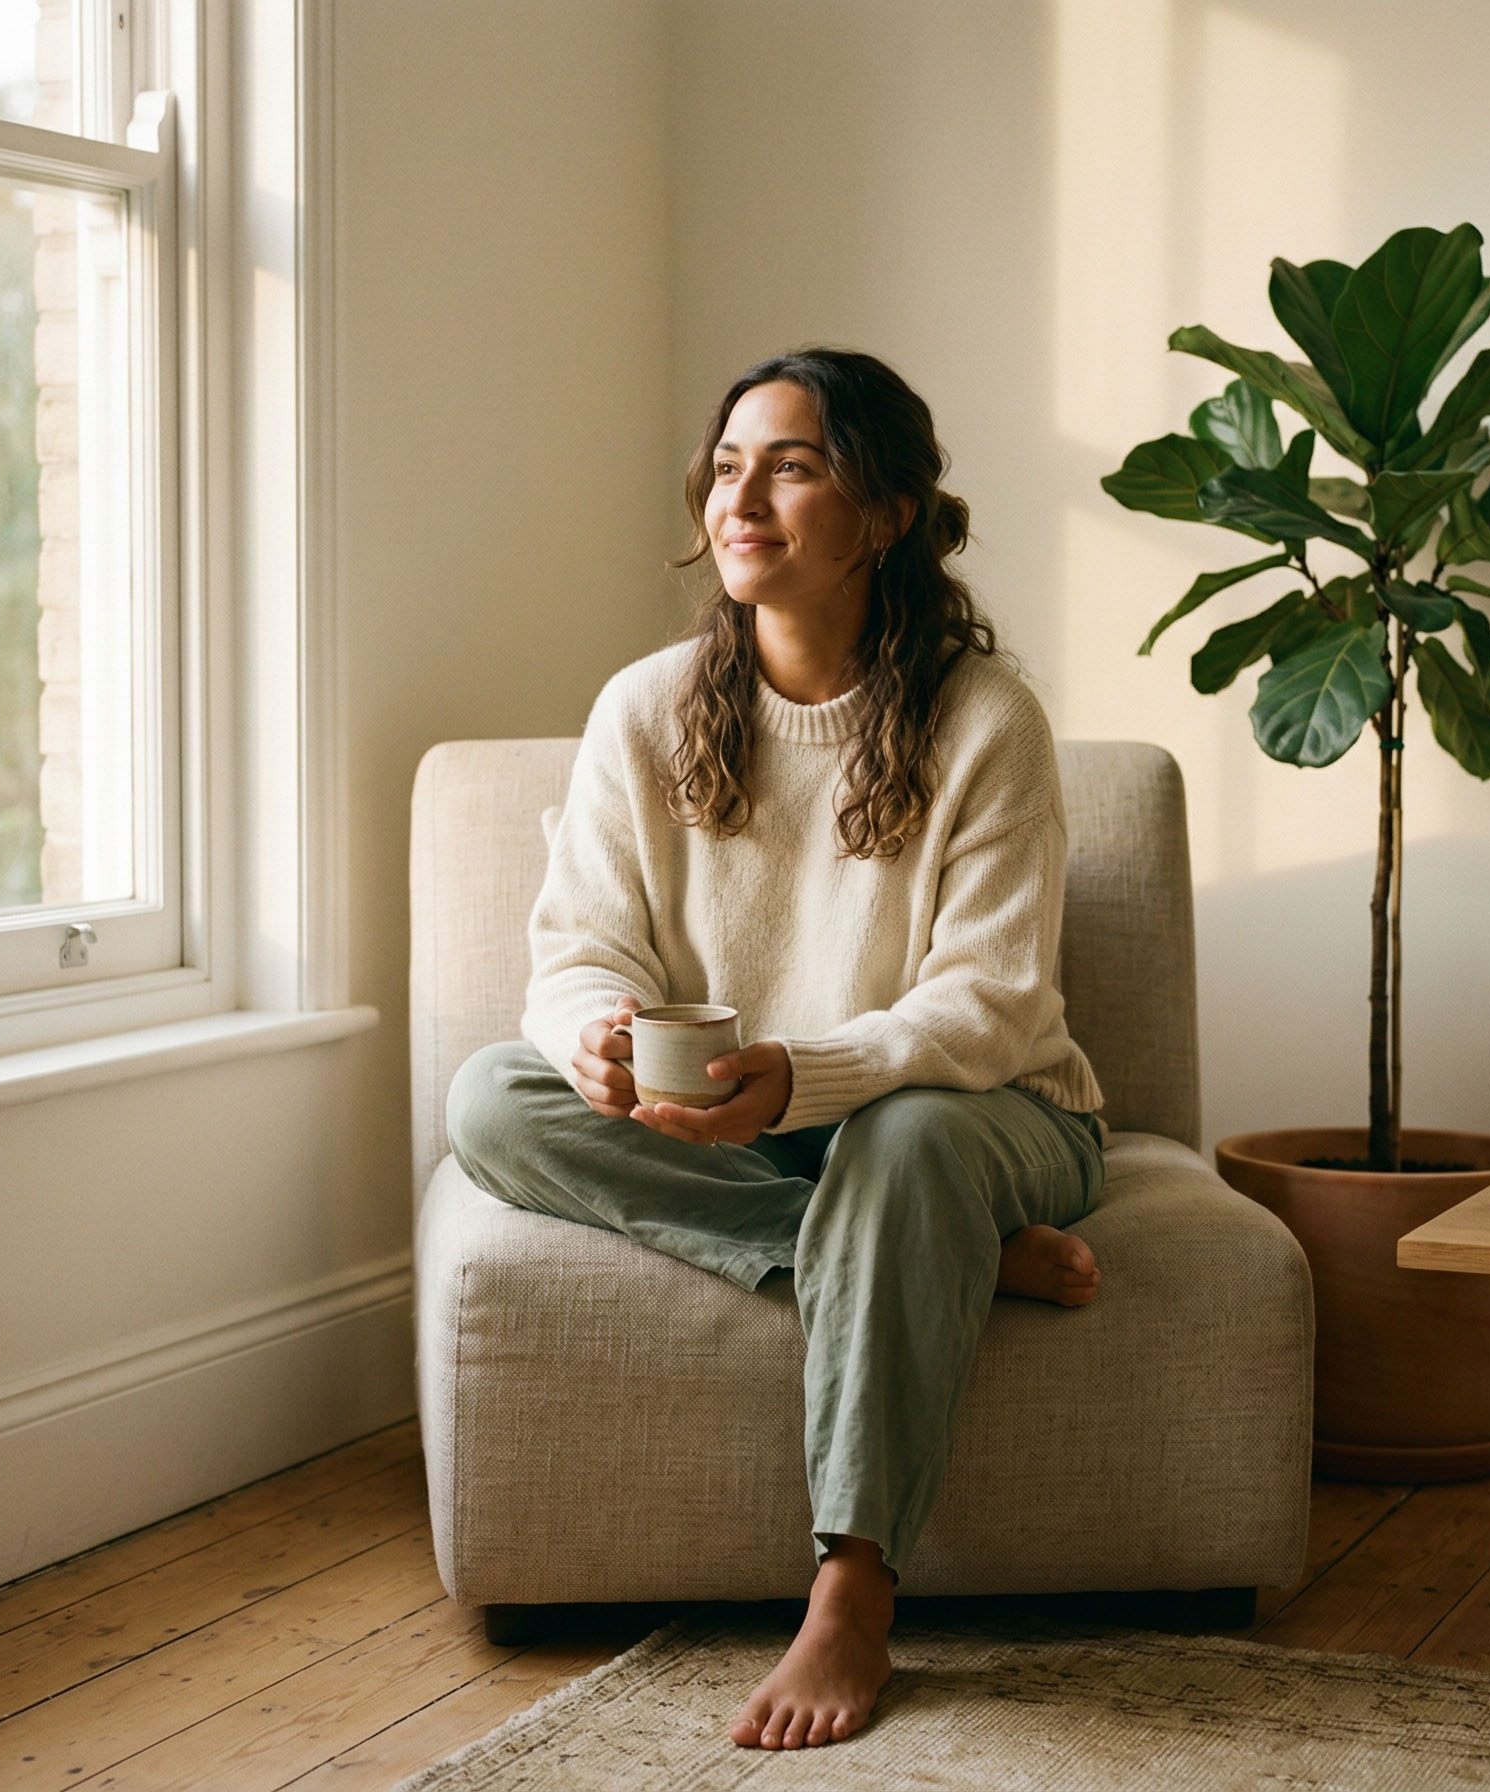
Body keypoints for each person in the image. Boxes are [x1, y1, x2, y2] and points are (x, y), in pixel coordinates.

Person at [445, 347, 1105, 1750]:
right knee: (494, 1099)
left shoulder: (988, 720)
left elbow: (985, 1009)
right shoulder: (646, 707)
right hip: (754, 1121)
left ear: (887, 514)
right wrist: (596, 1044)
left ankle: (853, 1587)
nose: (744, 496)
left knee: (911, 1141)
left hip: (984, 1112)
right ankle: (920, 1262)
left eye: (794, 465)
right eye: (731, 464)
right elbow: (575, 956)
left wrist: (807, 1079)